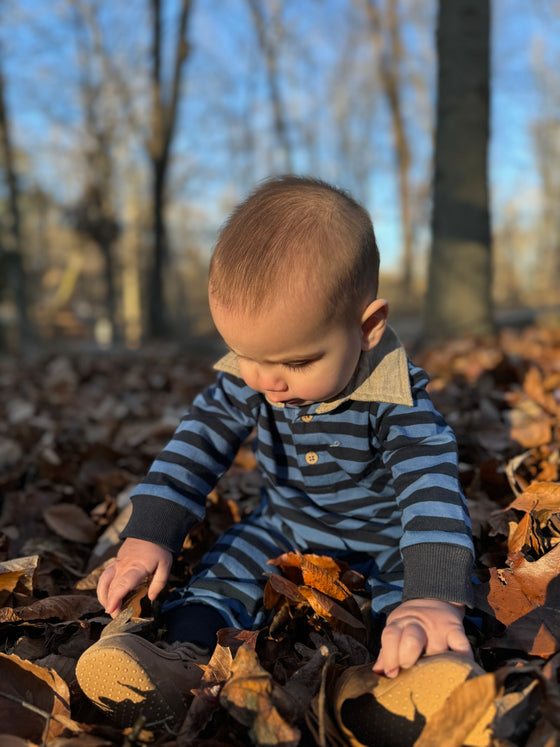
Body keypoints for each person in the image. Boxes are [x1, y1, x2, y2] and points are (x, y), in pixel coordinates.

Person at [76, 175, 475, 729]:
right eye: (244, 354)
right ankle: (182, 661)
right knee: (225, 569)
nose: (268, 381)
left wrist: (433, 593)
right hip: (286, 526)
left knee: (414, 606)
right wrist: (150, 534)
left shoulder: (396, 401)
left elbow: (432, 491)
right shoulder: (253, 377)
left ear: (367, 329)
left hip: (388, 540)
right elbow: (195, 445)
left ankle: (410, 689)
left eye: (297, 362)